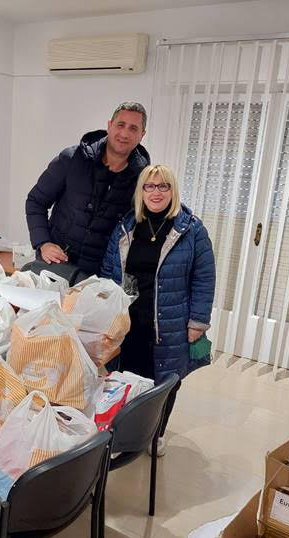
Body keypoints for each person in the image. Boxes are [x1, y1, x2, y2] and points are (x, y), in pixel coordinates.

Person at [100, 164, 215, 457]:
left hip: (169, 322)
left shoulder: (191, 229)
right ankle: (124, 435)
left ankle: (156, 434)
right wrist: (105, 311)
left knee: (164, 382)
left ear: (173, 191)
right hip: (128, 321)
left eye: (164, 186)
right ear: (141, 191)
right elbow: (109, 272)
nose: (156, 192)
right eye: (149, 186)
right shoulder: (126, 226)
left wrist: (198, 322)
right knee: (125, 376)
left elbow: (204, 277)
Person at [25, 102, 150, 277]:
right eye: (120, 125)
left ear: (142, 135)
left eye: (133, 128)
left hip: (98, 276)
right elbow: (36, 201)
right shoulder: (71, 158)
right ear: (109, 125)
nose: (124, 134)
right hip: (54, 264)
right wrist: (43, 243)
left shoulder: (144, 179)